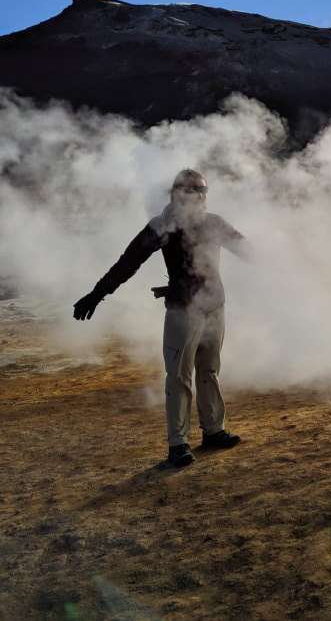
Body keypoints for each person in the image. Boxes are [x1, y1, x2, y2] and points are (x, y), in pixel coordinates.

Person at [74, 169, 249, 467]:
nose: (199, 196)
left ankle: (214, 430)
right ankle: (177, 443)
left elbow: (247, 250)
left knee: (209, 372)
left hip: (214, 306)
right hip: (183, 310)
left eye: (202, 190)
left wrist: (287, 262)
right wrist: (97, 293)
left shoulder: (213, 223)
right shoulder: (163, 225)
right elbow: (127, 263)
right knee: (179, 377)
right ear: (177, 193)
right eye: (192, 190)